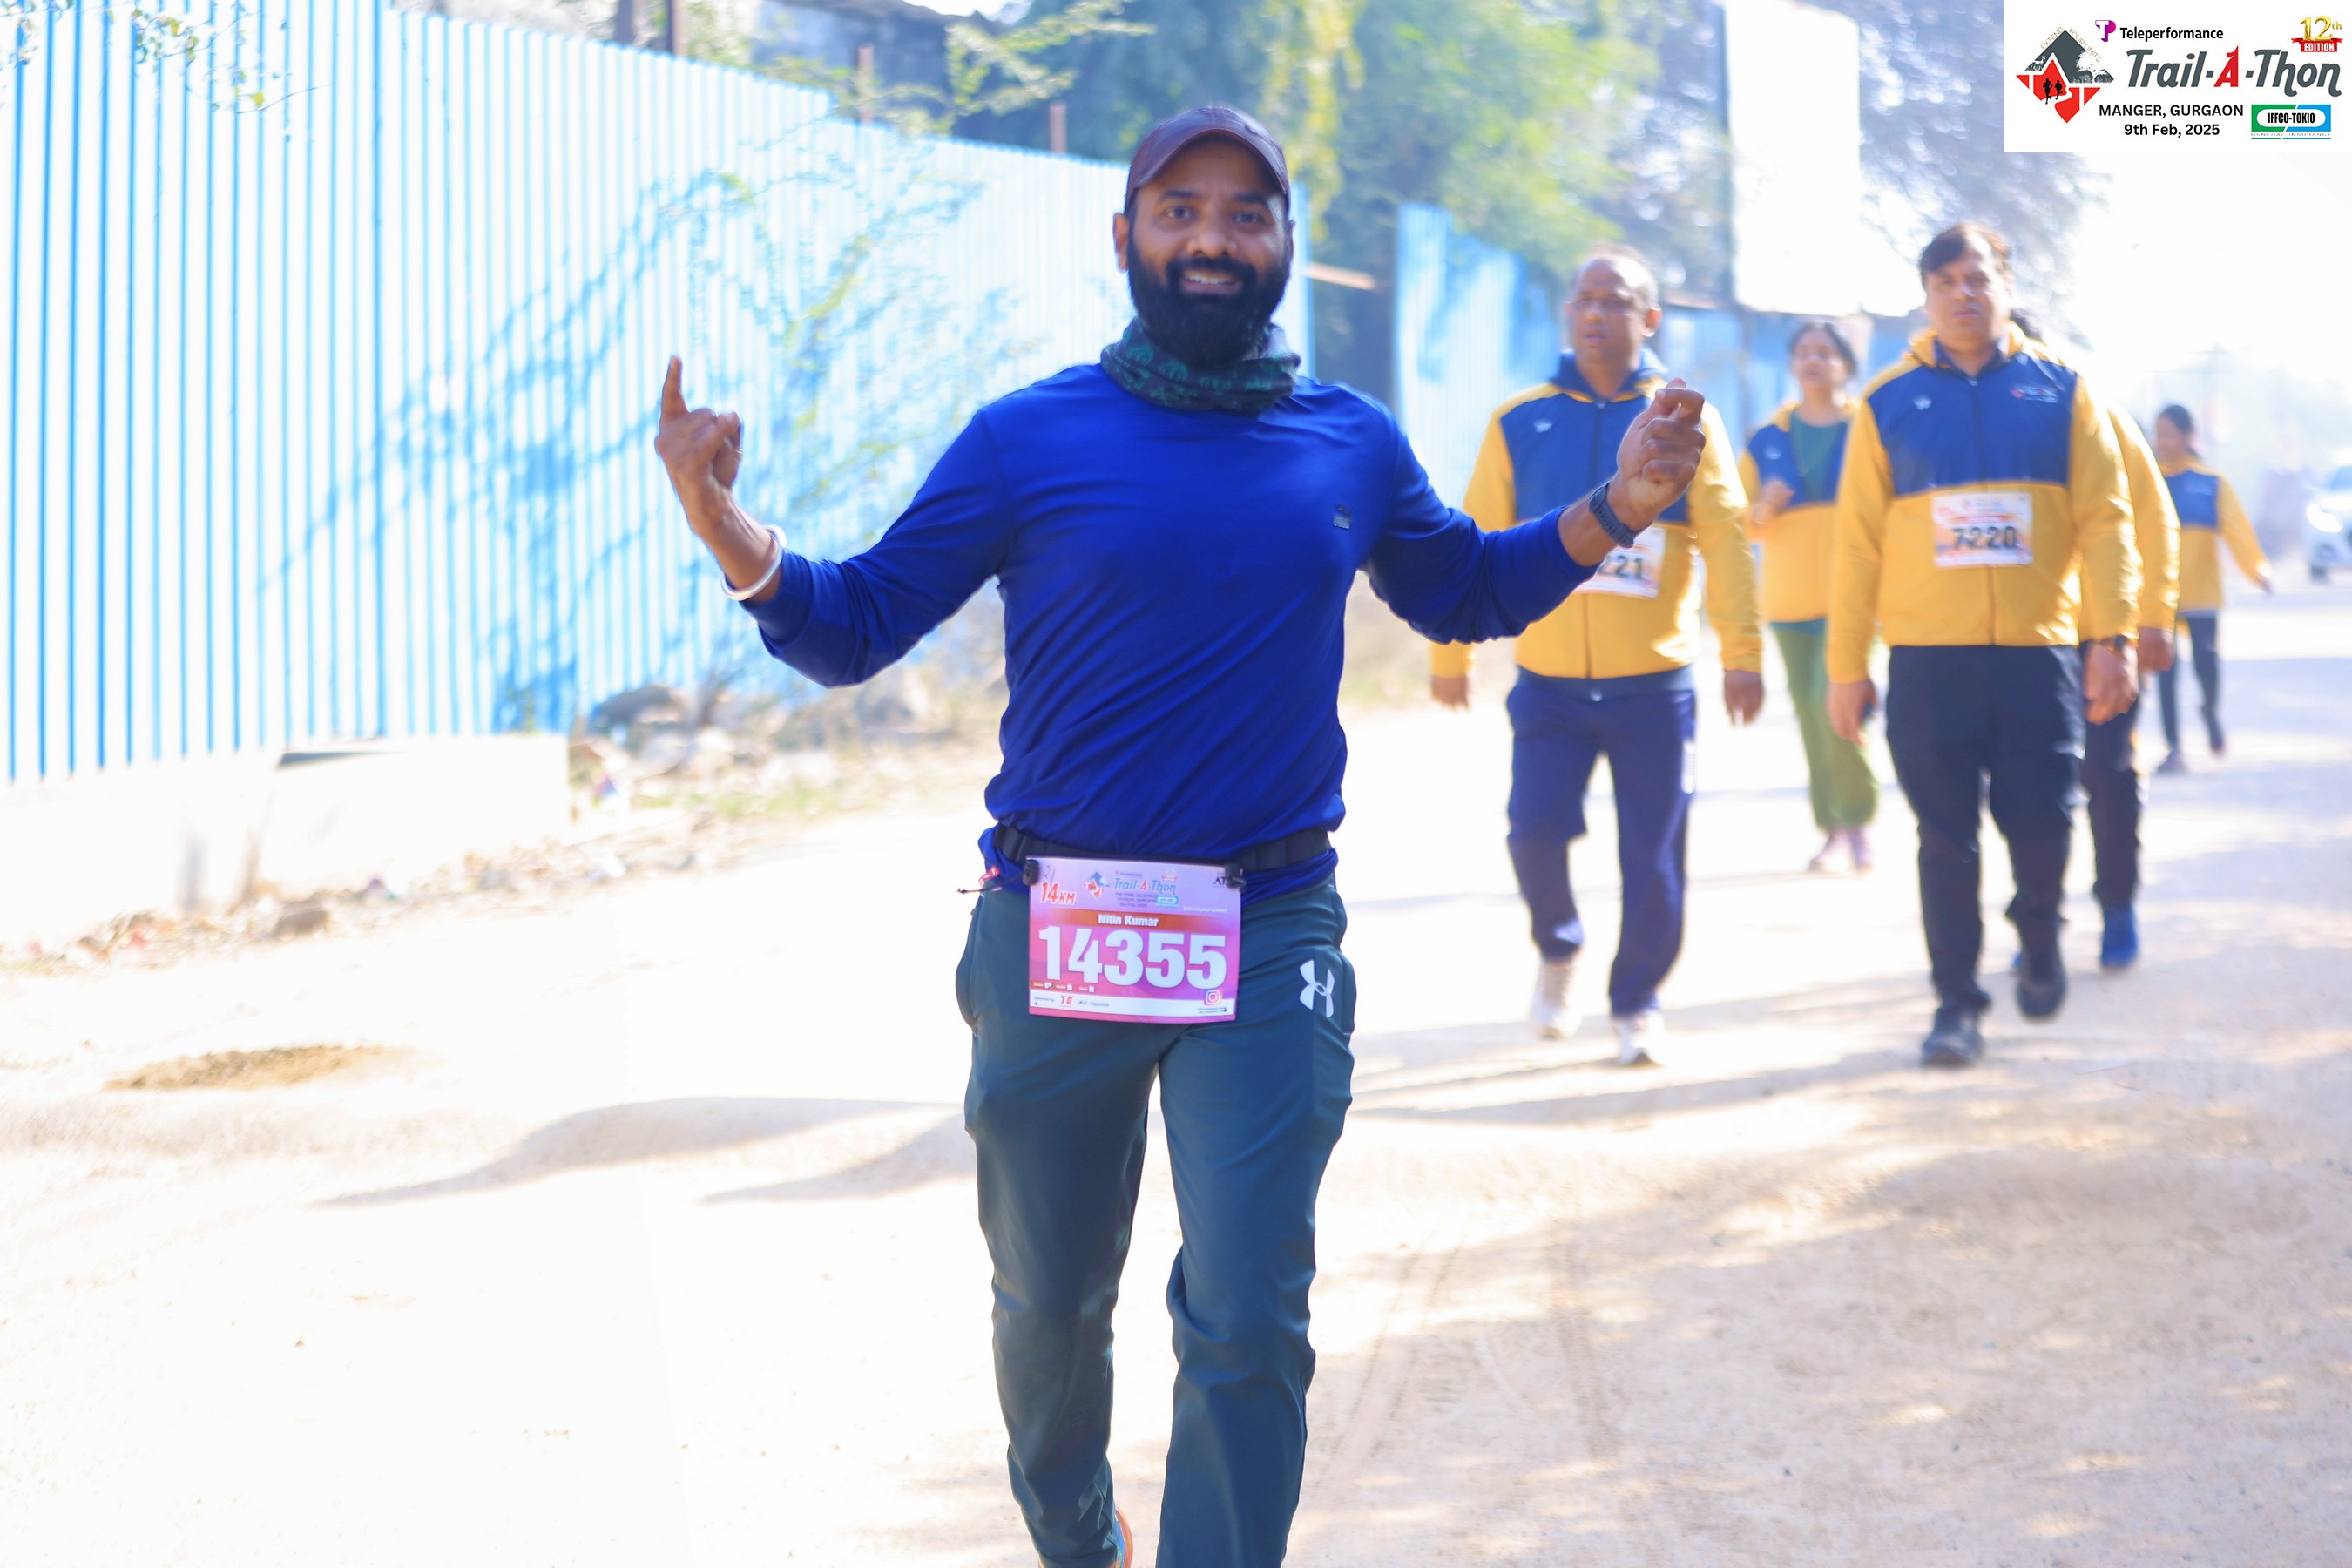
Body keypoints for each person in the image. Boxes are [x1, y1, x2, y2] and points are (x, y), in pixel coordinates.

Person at [654, 106, 1711, 1568]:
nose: (1213, 237)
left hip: (1267, 931)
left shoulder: (1349, 440)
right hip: (1057, 928)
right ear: (1127, 238)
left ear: (1284, 245)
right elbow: (857, 624)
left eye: (1246, 213)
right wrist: (723, 521)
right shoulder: (1027, 439)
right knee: (1047, 1305)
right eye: (1181, 209)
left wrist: (1619, 505)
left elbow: (1464, 588)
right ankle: (1079, 1542)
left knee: (1249, 1308)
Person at [1429, 247, 1761, 1068]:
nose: (1596, 314)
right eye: (1584, 299)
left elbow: (1726, 537)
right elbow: (1470, 541)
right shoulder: (1519, 419)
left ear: (1650, 319)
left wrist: (1742, 653)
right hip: (1549, 686)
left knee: (1654, 856)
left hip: (1655, 687)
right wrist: (1449, 655)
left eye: (1615, 301)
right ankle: (1559, 946)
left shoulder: (1684, 421)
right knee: (1533, 834)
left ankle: (1638, 1000)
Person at [1827, 223, 2138, 1069]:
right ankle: (1955, 1003)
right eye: (1946, 282)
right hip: (1930, 662)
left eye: (1978, 279)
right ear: (1926, 296)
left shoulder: (2062, 390)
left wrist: (2112, 635)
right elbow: (1856, 547)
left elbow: (2106, 523)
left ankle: (2038, 927)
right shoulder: (1887, 403)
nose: (1963, 295)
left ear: (2006, 286)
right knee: (1945, 838)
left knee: (2044, 820)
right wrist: (1847, 666)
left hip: (2039, 656)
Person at [2010, 310, 2180, 972]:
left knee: (2107, 775)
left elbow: (2153, 517)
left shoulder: (2095, 410)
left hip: (2105, 640)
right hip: (2026, 644)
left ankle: (2117, 904)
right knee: (2028, 787)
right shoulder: (1982, 430)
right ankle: (2038, 918)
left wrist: (2154, 618)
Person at [1740, 320, 1877, 873]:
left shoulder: (1867, 429)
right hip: (1789, 602)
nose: (1813, 360)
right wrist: (1764, 509)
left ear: (1846, 364)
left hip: (1853, 601)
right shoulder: (1766, 438)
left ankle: (1858, 822)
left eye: (1825, 352)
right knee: (1809, 715)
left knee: (1835, 707)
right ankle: (1833, 830)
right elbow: (1738, 525)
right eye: (1803, 352)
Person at [2151, 404, 2271, 771]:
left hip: (2202, 592)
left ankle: (2209, 710)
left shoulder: (2210, 482)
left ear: (2188, 436)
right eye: (2159, 434)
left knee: (2207, 666)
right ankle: (2174, 749)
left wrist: (2256, 570)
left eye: (2170, 434)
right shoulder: (2148, 481)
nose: (2163, 442)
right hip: (2159, 596)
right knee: (2165, 672)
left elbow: (2236, 529)